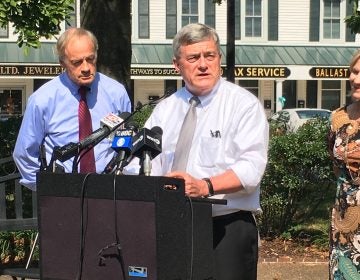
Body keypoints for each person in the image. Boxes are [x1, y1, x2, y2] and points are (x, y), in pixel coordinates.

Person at [142, 23, 269, 279]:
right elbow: (144, 162)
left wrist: (204, 186)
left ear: (219, 59)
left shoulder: (243, 105)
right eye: (193, 58)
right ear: (177, 65)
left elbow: (251, 170)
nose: (203, 64)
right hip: (173, 228)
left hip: (226, 227)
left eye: (209, 56)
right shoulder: (164, 110)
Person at [13, 27, 131, 191]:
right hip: (63, 191)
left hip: (109, 190)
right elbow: (24, 152)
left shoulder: (116, 93)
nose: (86, 68)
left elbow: (126, 141)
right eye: (77, 62)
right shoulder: (42, 99)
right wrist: (45, 189)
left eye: (91, 59)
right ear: (62, 63)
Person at [328, 50, 360, 279]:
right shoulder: (338, 118)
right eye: (354, 72)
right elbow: (336, 168)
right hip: (343, 223)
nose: (356, 80)